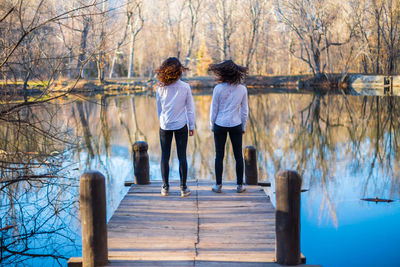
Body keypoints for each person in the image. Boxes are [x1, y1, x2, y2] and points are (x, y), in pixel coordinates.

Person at [155, 57, 196, 197]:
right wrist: (192, 125)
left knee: (165, 157)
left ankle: (165, 188)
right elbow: (190, 109)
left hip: (165, 125)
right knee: (182, 156)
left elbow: (158, 109)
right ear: (179, 71)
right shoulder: (185, 87)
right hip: (181, 125)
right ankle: (183, 188)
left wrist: (162, 121)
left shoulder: (160, 88)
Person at [208, 60, 249, 193]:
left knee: (219, 155)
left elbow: (214, 109)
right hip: (236, 124)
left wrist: (212, 124)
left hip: (220, 124)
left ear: (223, 73)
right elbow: (244, 111)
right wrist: (243, 126)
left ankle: (218, 185)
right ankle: (239, 186)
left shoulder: (218, 88)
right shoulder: (242, 89)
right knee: (238, 156)